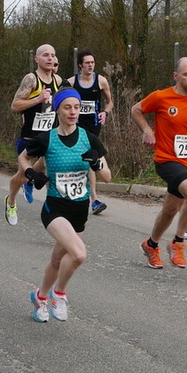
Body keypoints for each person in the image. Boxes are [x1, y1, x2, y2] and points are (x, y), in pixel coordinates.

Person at [27, 89, 112, 322]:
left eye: (76, 107)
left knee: (57, 261)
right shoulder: (47, 139)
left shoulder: (89, 138)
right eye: (67, 107)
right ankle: (59, 294)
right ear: (57, 110)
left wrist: (96, 162)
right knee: (79, 254)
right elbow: (24, 156)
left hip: (79, 210)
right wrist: (29, 173)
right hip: (55, 209)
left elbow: (107, 176)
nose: (73, 112)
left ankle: (40, 297)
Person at [131, 57, 187, 268]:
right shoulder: (161, 97)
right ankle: (178, 243)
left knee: (170, 211)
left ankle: (151, 245)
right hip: (166, 160)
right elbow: (136, 109)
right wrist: (147, 130)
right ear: (176, 76)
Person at [5, 44, 63, 224]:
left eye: (53, 55)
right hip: (30, 137)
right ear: (36, 59)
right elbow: (15, 105)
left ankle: (53, 210)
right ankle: (11, 201)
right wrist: (37, 99)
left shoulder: (58, 80)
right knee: (21, 176)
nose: (50, 58)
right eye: (45, 55)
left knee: (51, 171)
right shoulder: (31, 79)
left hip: (49, 137)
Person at [65, 48, 116, 215]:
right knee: (86, 160)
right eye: (87, 63)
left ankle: (90, 198)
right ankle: (92, 199)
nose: (90, 65)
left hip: (94, 126)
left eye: (92, 62)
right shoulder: (72, 82)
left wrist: (105, 112)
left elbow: (110, 102)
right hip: (76, 127)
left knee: (88, 160)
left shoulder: (101, 81)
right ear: (80, 65)